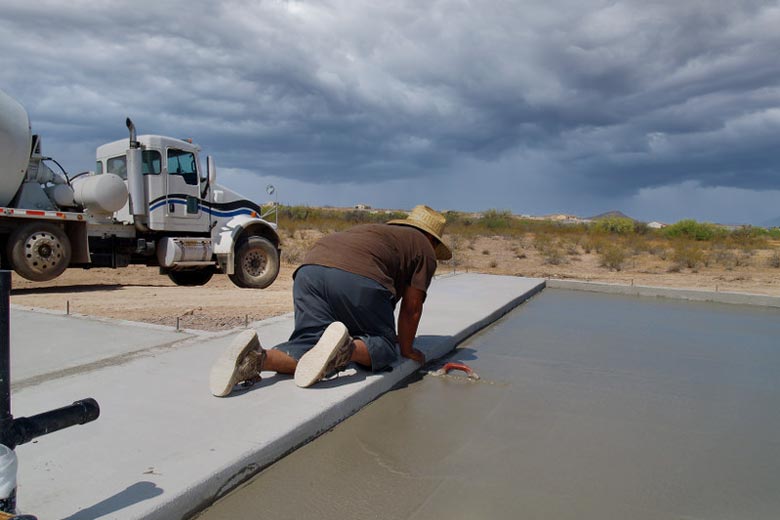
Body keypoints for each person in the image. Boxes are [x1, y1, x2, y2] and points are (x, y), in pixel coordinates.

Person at [210, 205, 451, 396]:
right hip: (358, 277)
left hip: (310, 271)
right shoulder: (424, 249)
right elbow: (412, 307)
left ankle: (256, 359)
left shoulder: (380, 233)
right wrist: (406, 348)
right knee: (385, 347)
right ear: (433, 240)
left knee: (311, 343)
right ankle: (345, 349)